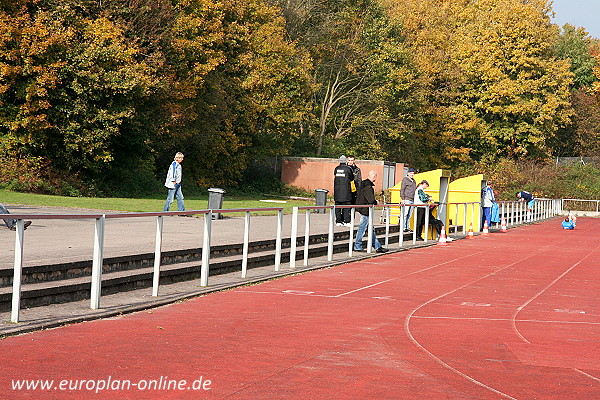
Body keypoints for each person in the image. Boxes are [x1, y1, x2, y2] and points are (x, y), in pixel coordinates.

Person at [353, 171, 388, 253]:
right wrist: (376, 202)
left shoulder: (363, 185)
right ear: (374, 177)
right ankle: (358, 245)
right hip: (366, 210)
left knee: (370, 229)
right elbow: (371, 200)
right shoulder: (368, 187)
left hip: (363, 209)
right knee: (363, 228)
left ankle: (377, 246)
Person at [333, 155, 353, 226]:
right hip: (346, 191)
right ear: (346, 161)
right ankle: (346, 221)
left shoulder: (336, 168)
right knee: (347, 206)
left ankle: (338, 221)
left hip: (337, 191)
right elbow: (351, 178)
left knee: (337, 207)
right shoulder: (348, 169)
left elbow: (335, 175)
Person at [400, 168, 416, 232]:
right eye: (411, 173)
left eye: (413, 173)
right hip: (406, 199)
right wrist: (403, 198)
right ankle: (403, 227)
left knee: (410, 215)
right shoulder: (405, 180)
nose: (412, 174)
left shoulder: (414, 181)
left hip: (412, 200)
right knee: (405, 214)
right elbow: (402, 189)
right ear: (408, 173)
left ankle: (407, 227)